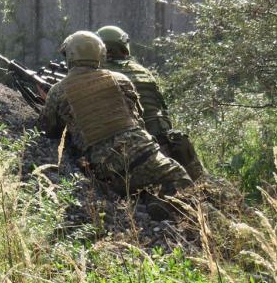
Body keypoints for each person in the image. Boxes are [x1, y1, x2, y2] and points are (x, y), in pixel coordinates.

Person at [39, 31, 193, 212]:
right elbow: (138, 118)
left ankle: (151, 205)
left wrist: (48, 102)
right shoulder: (121, 79)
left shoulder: (58, 90)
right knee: (185, 186)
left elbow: (49, 130)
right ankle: (169, 210)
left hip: (110, 172)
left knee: (138, 195)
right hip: (147, 156)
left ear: (70, 56)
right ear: (100, 55)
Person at [96, 25, 205, 181]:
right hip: (164, 139)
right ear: (123, 47)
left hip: (135, 147)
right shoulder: (142, 71)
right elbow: (161, 106)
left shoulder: (99, 75)